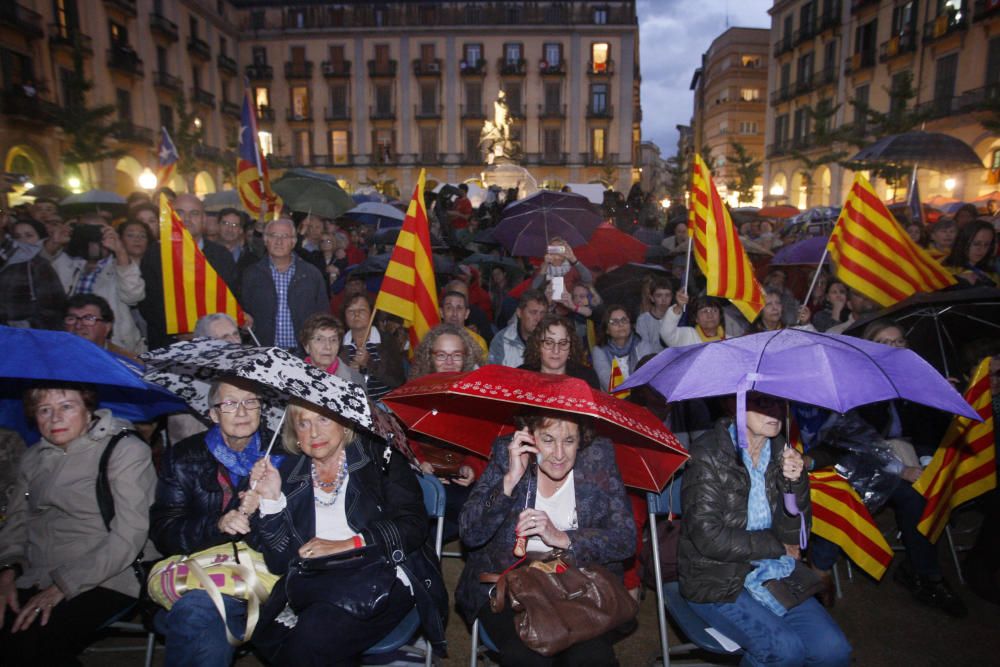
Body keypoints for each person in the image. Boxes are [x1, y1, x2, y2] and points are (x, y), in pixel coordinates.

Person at [246, 398, 445, 665]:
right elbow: (280, 561)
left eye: (323, 419)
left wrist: (350, 544)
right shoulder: (288, 472)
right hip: (317, 581)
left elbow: (413, 525)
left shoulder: (379, 457)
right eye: (303, 423)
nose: (314, 432)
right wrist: (271, 502)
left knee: (311, 639)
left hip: (383, 575)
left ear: (344, 423)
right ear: (294, 434)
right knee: (274, 633)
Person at [679, 392, 851, 666]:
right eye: (761, 403)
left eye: (778, 402)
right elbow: (708, 537)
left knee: (834, 650)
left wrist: (794, 483)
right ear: (734, 405)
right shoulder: (708, 453)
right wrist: (776, 546)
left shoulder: (784, 455)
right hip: (716, 578)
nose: (774, 412)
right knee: (784, 651)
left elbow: (797, 534)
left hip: (773, 572)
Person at [456, 408, 636, 667]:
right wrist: (510, 480)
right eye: (548, 440)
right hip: (508, 585)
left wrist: (564, 538)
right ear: (530, 436)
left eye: (569, 441)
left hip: (577, 585)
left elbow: (626, 538)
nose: (559, 454)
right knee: (528, 656)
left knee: (592, 658)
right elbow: (470, 534)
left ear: (581, 440)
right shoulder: (510, 454)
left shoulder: (599, 457)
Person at [0, 383, 156, 664]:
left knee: (38, 642)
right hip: (35, 573)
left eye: (66, 407)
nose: (55, 418)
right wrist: (8, 570)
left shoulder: (124, 451)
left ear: (88, 410)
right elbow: (17, 523)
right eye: (44, 410)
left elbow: (129, 536)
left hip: (108, 575)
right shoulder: (32, 458)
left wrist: (64, 585)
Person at [150, 378, 279, 666]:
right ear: (213, 414)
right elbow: (164, 532)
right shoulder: (184, 457)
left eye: (251, 402)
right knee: (202, 611)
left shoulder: (284, 453)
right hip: (205, 569)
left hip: (268, 572)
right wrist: (218, 524)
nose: (243, 411)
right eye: (230, 404)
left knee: (197, 614)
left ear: (262, 409)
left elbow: (300, 530)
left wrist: (268, 507)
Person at [407, 323, 486, 539]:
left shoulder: (476, 398)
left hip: (459, 477)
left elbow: (483, 442)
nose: (449, 362)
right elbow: (405, 439)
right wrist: (419, 463)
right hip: (421, 473)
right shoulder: (415, 394)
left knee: (477, 508)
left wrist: (472, 467)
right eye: (441, 355)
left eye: (456, 355)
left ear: (466, 358)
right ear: (429, 358)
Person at [140, 193, 239, 349]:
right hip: (167, 344)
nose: (186, 219)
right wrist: (181, 330)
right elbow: (148, 302)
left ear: (204, 220)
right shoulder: (155, 254)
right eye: (179, 213)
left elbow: (229, 297)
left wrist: (202, 330)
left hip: (213, 344)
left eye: (194, 213)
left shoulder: (221, 256)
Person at [241, 218, 329, 350]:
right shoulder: (252, 274)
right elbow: (244, 314)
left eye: (285, 236)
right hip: (264, 353)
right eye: (274, 235)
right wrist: (245, 325)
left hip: (303, 354)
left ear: (294, 242)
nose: (279, 241)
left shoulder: (311, 274)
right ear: (265, 240)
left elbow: (323, 316)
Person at [63, 217, 147, 354]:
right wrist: (55, 244)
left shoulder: (120, 266)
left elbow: (134, 296)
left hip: (114, 347)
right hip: (73, 344)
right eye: (86, 230)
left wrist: (120, 250)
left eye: (99, 231)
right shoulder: (70, 265)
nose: (92, 236)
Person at [0, 212, 66, 329]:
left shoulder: (34, 264)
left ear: (3, 219)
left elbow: (54, 311)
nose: (23, 240)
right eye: (18, 236)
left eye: (28, 235)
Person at [340, 293, 406, 400]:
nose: (356, 314)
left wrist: (369, 362)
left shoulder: (386, 340)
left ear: (371, 313)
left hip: (385, 404)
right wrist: (349, 374)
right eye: (351, 311)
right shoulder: (339, 345)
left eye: (362, 310)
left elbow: (398, 380)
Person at [520, 313, 600, 388]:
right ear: (537, 345)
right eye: (548, 343)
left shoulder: (587, 379)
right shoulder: (521, 376)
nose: (556, 350)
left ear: (571, 348)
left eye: (563, 343)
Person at [591, 305, 654, 392]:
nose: (621, 325)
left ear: (630, 325)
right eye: (614, 322)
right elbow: (609, 385)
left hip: (641, 398)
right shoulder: (599, 351)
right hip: (613, 401)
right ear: (607, 330)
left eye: (624, 320)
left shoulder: (643, 345)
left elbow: (649, 378)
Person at [64, 293, 139, 361]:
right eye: (71, 319)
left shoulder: (129, 363)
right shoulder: (55, 357)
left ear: (107, 327)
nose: (78, 326)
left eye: (88, 318)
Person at [299, 312, 366, 387]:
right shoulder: (292, 377)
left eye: (333, 340)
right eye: (319, 339)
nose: (328, 346)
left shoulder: (355, 380)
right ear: (306, 346)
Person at [488, 289, 547, 368]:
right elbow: (493, 375)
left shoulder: (552, 340)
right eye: (533, 312)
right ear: (519, 313)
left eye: (543, 313)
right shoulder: (502, 340)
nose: (538, 318)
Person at [660, 292, 730, 347]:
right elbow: (666, 333)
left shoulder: (730, 340)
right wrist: (679, 306)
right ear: (696, 318)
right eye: (704, 311)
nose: (710, 315)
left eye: (714, 310)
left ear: (720, 316)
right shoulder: (688, 336)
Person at [942, 220, 997, 287]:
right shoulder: (945, 271)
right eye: (976, 244)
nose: (981, 249)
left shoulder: (992, 274)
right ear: (963, 242)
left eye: (986, 245)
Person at [440, 289, 488, 356]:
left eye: (459, 308)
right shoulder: (432, 340)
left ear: (466, 314)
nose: (454, 314)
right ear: (441, 312)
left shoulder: (478, 342)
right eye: (449, 308)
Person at [634, 277, 673, 355]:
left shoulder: (676, 317)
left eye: (667, 295)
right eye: (659, 296)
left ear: (672, 297)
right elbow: (643, 347)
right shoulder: (643, 320)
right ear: (652, 298)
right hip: (652, 361)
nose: (664, 299)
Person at [748, 287, 813, 333]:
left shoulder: (789, 331)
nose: (775, 308)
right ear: (760, 310)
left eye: (778, 303)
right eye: (769, 304)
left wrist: (806, 323)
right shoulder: (751, 335)